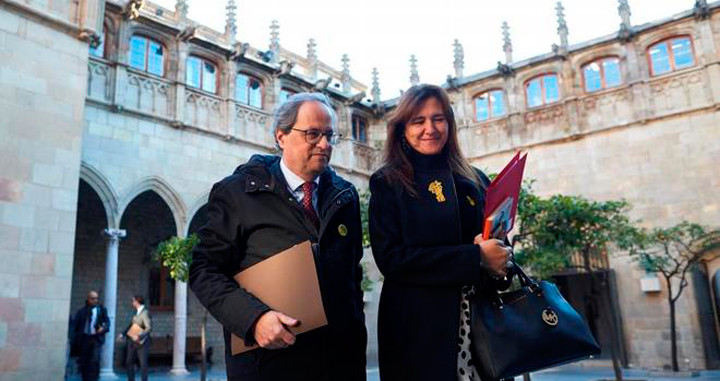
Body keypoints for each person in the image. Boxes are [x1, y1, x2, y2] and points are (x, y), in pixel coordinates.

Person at [189, 92, 367, 381]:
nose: (324, 144)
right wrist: (253, 319)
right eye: (312, 134)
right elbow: (204, 270)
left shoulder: (345, 197)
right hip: (268, 365)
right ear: (281, 136)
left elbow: (352, 278)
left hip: (339, 366)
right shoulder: (237, 192)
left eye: (329, 136)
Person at [369, 84, 514, 381]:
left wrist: (499, 265)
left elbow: (501, 253)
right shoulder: (388, 182)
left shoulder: (476, 180)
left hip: (482, 329)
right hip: (419, 330)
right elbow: (392, 259)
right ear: (402, 129)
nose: (430, 129)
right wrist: (475, 257)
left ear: (449, 122)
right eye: (418, 121)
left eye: (438, 118)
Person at [71, 290, 109, 381]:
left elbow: (107, 323)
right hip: (84, 339)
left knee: (94, 360)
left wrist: (102, 329)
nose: (95, 300)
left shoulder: (101, 310)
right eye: (92, 298)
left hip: (96, 338)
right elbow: (75, 325)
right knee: (84, 361)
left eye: (96, 298)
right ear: (88, 299)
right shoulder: (82, 311)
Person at [120, 295, 151, 381]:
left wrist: (139, 336)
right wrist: (123, 334)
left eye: (133, 301)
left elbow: (148, 328)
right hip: (132, 341)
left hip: (142, 343)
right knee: (129, 362)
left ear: (137, 302)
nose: (132, 303)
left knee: (143, 364)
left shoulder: (145, 313)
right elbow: (131, 325)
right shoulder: (136, 312)